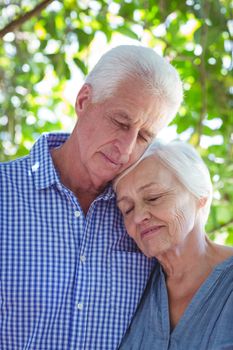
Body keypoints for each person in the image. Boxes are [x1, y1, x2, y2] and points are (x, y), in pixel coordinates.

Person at [0, 45, 183, 350]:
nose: (125, 149)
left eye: (143, 137)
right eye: (121, 123)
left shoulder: (147, 220)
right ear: (84, 100)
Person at [114, 139, 233, 350]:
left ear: (200, 196)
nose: (139, 216)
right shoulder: (132, 287)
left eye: (153, 197)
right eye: (127, 209)